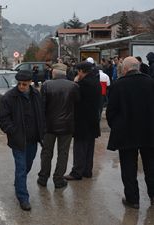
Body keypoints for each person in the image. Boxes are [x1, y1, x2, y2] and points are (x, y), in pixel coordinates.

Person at [106, 56, 154, 209]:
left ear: (125, 69)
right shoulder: (151, 82)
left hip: (125, 132)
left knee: (128, 168)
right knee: (151, 166)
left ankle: (133, 200)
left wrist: (116, 126)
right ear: (138, 67)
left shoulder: (118, 85)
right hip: (150, 131)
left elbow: (111, 111)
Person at [0, 70, 44, 211]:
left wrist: (42, 131)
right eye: (19, 84)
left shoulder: (36, 94)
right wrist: (13, 131)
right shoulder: (9, 97)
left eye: (24, 84)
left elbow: (41, 113)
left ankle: (19, 183)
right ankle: (23, 198)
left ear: (30, 83)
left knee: (27, 165)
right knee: (21, 167)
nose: (21, 86)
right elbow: (3, 119)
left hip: (33, 139)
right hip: (18, 140)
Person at [37, 64, 79, 189]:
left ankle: (43, 178)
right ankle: (58, 179)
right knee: (63, 153)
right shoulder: (73, 86)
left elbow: (41, 107)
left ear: (53, 73)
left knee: (46, 152)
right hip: (66, 126)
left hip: (49, 126)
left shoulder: (46, 85)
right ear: (65, 74)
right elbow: (77, 104)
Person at [65, 62, 101, 180]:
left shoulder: (82, 84)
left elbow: (73, 97)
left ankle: (77, 172)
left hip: (82, 120)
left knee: (80, 147)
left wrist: (75, 82)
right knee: (89, 147)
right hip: (93, 119)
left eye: (78, 71)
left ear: (81, 71)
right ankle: (87, 171)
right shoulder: (96, 82)